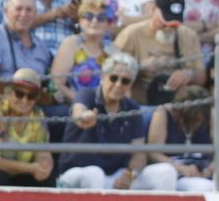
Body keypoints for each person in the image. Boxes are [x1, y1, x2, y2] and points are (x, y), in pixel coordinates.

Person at [57, 51, 152, 188]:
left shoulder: (133, 108)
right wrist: (84, 117)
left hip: (114, 176)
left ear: (130, 85)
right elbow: (79, 111)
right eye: (114, 78)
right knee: (95, 174)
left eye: (125, 81)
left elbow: (139, 153)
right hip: (77, 172)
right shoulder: (87, 95)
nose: (118, 84)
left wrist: (130, 174)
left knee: (163, 172)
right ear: (103, 77)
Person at [114, 0, 204, 106]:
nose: (168, 28)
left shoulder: (188, 35)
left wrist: (189, 74)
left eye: (173, 25)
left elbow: (202, 75)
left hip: (178, 103)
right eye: (164, 22)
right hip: (140, 103)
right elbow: (109, 69)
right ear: (153, 9)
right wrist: (139, 65)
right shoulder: (132, 34)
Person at [0, 65, 54, 185]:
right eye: (19, 94)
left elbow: (43, 152)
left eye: (31, 96)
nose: (24, 100)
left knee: (47, 179)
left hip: (20, 172)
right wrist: (30, 168)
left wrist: (45, 166)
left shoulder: (37, 115)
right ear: (9, 93)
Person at [0, 0, 56, 91]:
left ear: (35, 14)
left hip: (33, 101)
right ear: (6, 11)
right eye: (18, 9)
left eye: (29, 10)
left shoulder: (42, 47)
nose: (23, 14)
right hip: (0, 101)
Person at [141, 83, 214, 190]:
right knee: (204, 188)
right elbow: (154, 153)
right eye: (195, 118)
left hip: (203, 172)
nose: (198, 121)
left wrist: (210, 169)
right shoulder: (163, 113)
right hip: (175, 171)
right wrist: (181, 168)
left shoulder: (211, 114)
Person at [49, 0, 116, 102]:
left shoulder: (112, 49)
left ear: (108, 23)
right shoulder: (71, 43)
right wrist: (82, 102)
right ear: (80, 20)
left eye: (101, 18)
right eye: (88, 16)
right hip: (74, 107)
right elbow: (56, 84)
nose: (94, 21)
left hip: (105, 109)